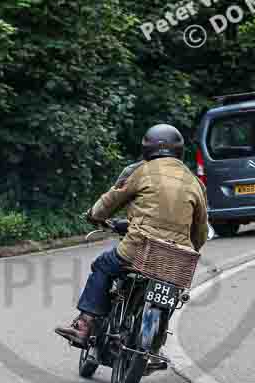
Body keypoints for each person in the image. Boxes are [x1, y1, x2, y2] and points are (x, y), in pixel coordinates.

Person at [54, 124, 209, 347]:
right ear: (180, 151)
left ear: (147, 149)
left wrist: (95, 214)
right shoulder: (194, 182)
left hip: (139, 248)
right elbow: (201, 229)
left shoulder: (142, 170)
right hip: (177, 258)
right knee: (170, 293)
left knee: (102, 265)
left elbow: (112, 199)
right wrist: (190, 248)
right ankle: (155, 344)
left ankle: (84, 325)